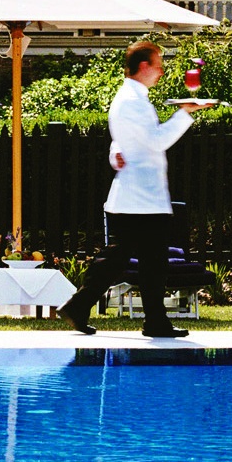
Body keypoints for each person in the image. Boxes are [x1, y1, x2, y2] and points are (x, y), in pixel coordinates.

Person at [59, 41, 206, 338]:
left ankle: (151, 320)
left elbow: (126, 138)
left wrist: (116, 152)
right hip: (140, 198)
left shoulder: (133, 98)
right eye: (159, 65)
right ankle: (82, 306)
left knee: (145, 262)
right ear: (144, 67)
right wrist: (185, 113)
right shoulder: (132, 100)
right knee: (126, 260)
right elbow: (155, 141)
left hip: (140, 197)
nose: (162, 72)